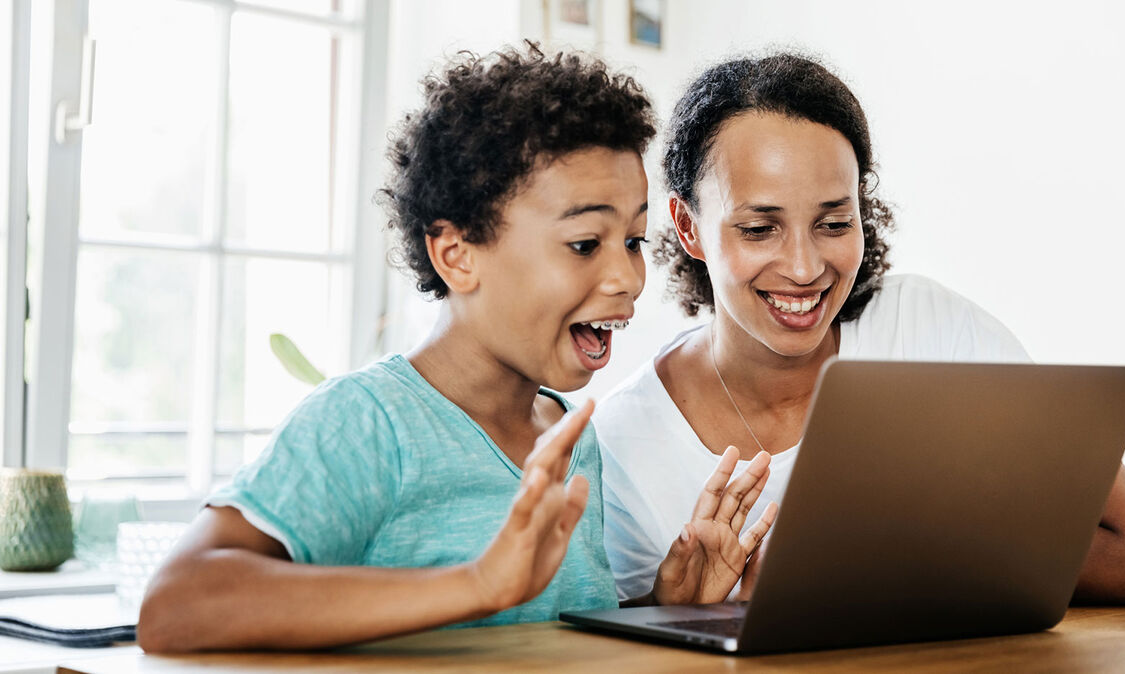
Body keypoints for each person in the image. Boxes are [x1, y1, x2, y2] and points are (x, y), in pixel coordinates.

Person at [136, 43, 775, 653]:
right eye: (586, 243)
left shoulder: (568, 438)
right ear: (457, 254)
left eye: (633, 241)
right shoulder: (369, 423)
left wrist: (669, 606)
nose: (627, 278)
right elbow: (176, 605)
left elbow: (538, 642)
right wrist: (475, 585)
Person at [594, 52, 1125, 605]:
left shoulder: (934, 334)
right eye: (758, 229)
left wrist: (895, 551)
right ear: (688, 225)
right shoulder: (621, 448)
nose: (804, 268)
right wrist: (669, 609)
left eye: (834, 222)